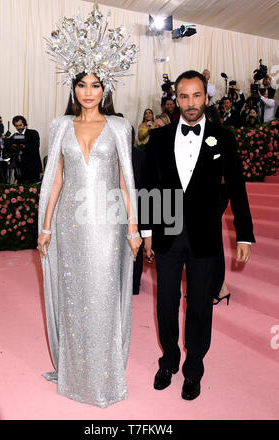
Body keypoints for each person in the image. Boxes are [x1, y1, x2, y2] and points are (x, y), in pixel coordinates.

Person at [37, 4, 141, 408]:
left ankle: (103, 374)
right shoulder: (59, 126)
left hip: (106, 224)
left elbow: (125, 181)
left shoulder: (118, 126)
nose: (88, 92)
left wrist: (133, 229)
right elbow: (55, 179)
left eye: (95, 85)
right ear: (73, 88)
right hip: (68, 223)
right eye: (81, 84)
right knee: (72, 294)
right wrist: (45, 227)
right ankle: (73, 368)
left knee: (102, 294)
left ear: (106, 88)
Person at [141, 70, 255, 400]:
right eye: (184, 96)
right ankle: (168, 361)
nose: (191, 103)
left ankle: (194, 369)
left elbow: (237, 188)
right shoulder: (159, 138)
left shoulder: (224, 138)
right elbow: (150, 186)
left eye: (196, 96)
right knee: (165, 303)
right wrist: (147, 232)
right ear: (175, 99)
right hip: (166, 235)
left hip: (205, 238)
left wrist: (244, 235)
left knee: (201, 306)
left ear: (206, 97)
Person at [10, 115, 42, 183]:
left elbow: (35, 146)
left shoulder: (33, 133)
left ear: (24, 124)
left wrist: (23, 146)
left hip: (32, 167)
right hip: (20, 168)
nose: (19, 127)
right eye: (16, 126)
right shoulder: (15, 136)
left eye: (20, 125)